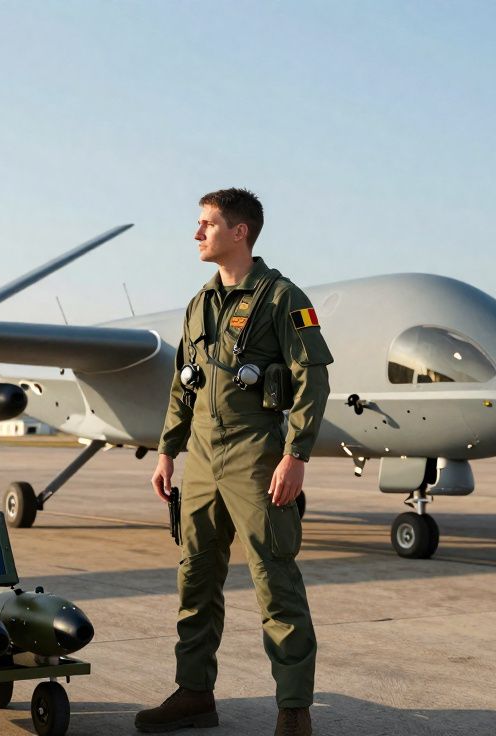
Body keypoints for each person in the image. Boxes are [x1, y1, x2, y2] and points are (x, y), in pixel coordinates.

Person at [137, 188, 333, 736]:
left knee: (275, 581)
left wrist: (295, 455)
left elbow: (312, 378)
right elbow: (184, 383)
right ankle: (194, 694)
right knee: (195, 580)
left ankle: (294, 710)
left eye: (207, 224)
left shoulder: (282, 298)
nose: (197, 234)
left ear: (240, 232)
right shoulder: (199, 303)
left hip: (256, 455)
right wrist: (167, 450)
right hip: (199, 458)